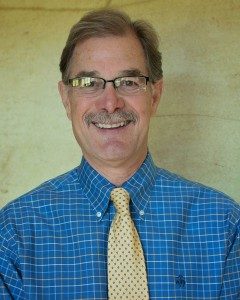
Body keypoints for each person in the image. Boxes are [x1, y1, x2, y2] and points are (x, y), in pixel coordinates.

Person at [0, 8, 239, 300]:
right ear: (66, 98)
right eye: (89, 83)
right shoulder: (14, 234)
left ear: (155, 95)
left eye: (128, 82)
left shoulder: (224, 225)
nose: (110, 103)